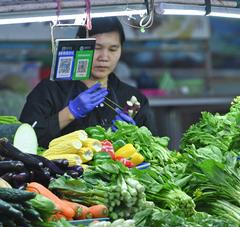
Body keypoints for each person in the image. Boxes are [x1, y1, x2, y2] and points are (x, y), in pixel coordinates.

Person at [20, 17, 156, 148]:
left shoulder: (133, 98)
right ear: (80, 46)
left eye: (113, 49)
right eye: (97, 48)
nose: (104, 57)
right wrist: (69, 113)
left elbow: (152, 147)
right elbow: (22, 142)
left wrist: (132, 135)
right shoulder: (49, 91)